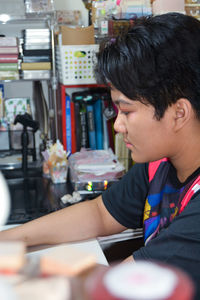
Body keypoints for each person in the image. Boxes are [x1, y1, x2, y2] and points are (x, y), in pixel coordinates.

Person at [0, 12, 200, 299]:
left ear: (179, 113)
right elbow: (100, 213)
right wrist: (6, 241)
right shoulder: (161, 163)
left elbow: (122, 286)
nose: (117, 126)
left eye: (127, 111)